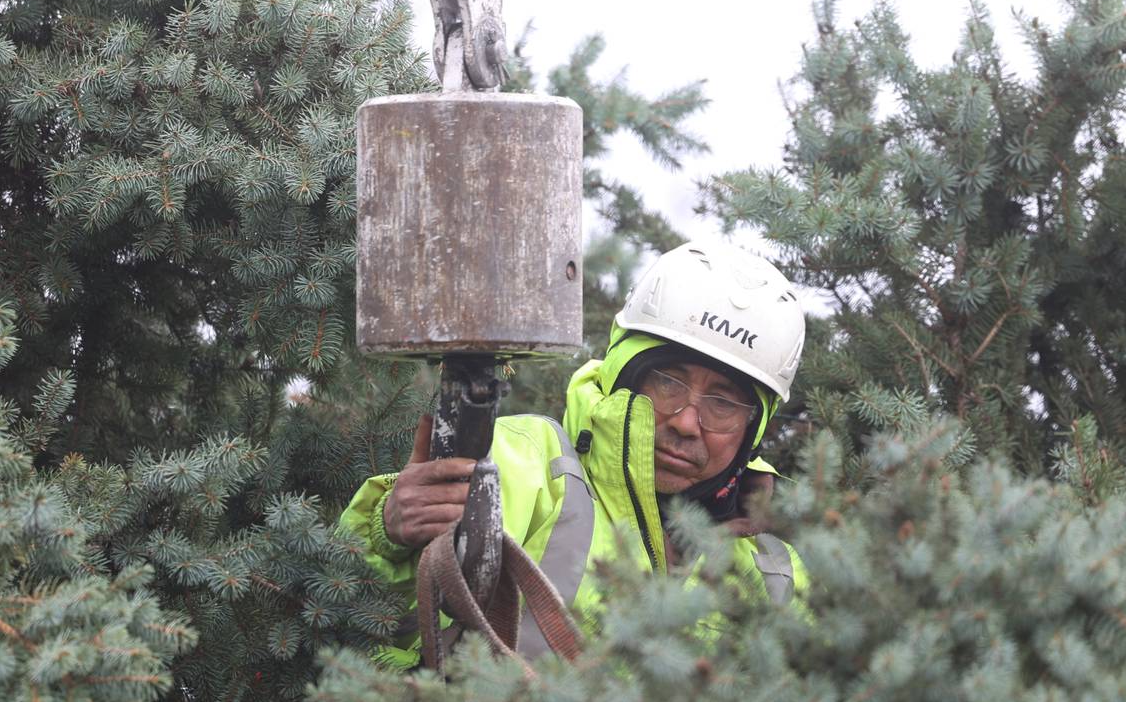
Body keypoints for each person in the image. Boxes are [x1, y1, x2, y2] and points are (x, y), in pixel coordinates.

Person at [340, 241, 808, 667]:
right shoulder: (516, 463)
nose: (686, 422)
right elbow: (351, 633)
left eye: (723, 402)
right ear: (625, 373)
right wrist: (389, 536)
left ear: (754, 426)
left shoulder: (776, 570)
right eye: (667, 382)